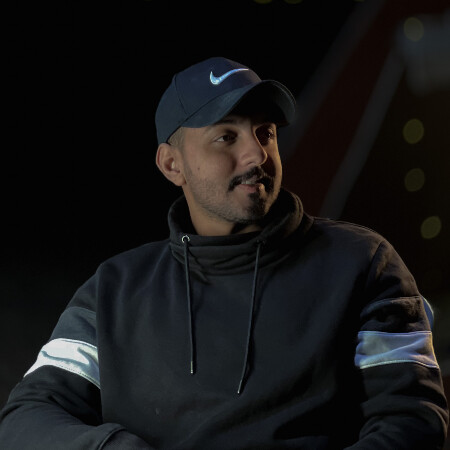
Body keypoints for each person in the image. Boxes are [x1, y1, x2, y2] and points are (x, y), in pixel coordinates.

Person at [0, 56, 448, 449]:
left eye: (265, 132)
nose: (257, 155)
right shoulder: (114, 291)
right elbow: (26, 417)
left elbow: (413, 422)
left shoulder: (363, 264)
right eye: (226, 137)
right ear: (172, 164)